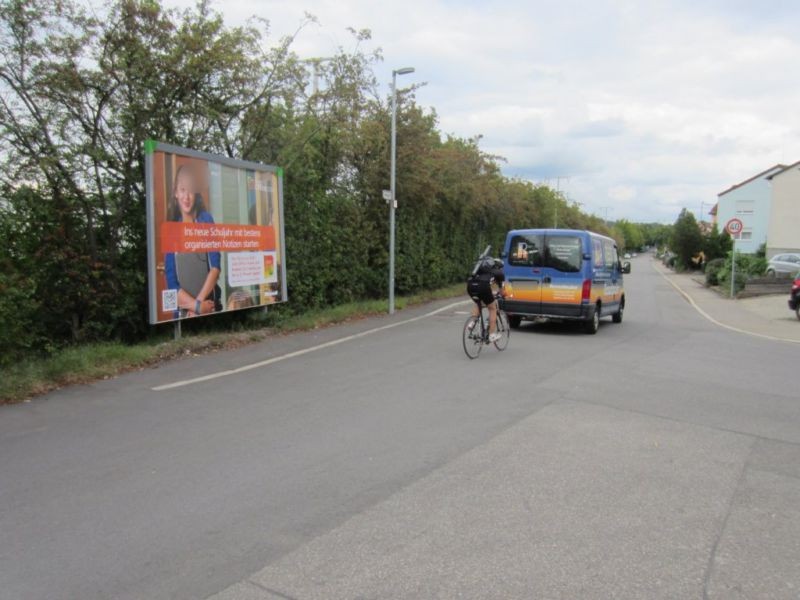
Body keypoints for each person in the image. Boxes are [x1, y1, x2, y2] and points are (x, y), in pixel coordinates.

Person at [164, 164, 221, 318]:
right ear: (176, 192)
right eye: (182, 190)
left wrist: (199, 305)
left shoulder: (206, 220)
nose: (186, 196)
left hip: (207, 306)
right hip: (184, 312)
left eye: (190, 190)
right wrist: (196, 307)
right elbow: (171, 283)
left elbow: (215, 268)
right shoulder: (171, 229)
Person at [466, 256, 505, 342]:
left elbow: (487, 286)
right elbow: (502, 292)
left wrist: (490, 293)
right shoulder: (499, 273)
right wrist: (504, 295)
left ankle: (472, 323)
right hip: (483, 287)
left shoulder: (482, 270)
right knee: (492, 308)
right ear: (499, 267)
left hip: (470, 285)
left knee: (479, 303)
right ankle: (491, 335)